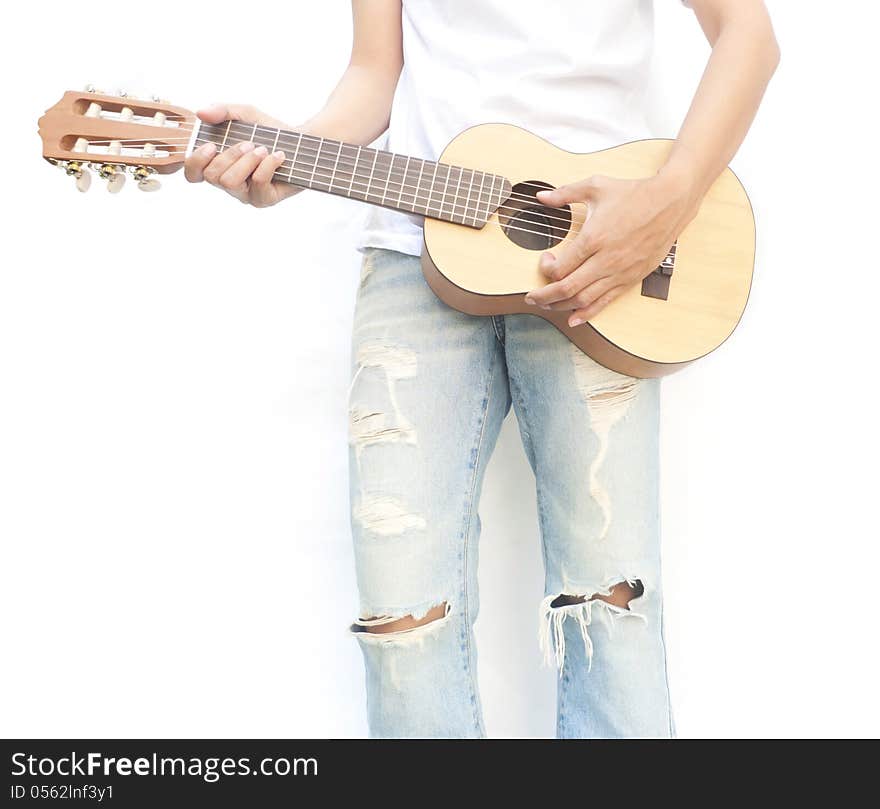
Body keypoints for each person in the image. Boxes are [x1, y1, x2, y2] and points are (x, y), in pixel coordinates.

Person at [184, 0, 779, 738]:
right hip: (413, 251)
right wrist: (291, 153)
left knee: (611, 605)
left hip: (607, 259)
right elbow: (374, 73)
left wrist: (663, 201)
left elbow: (748, 34)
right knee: (401, 621)